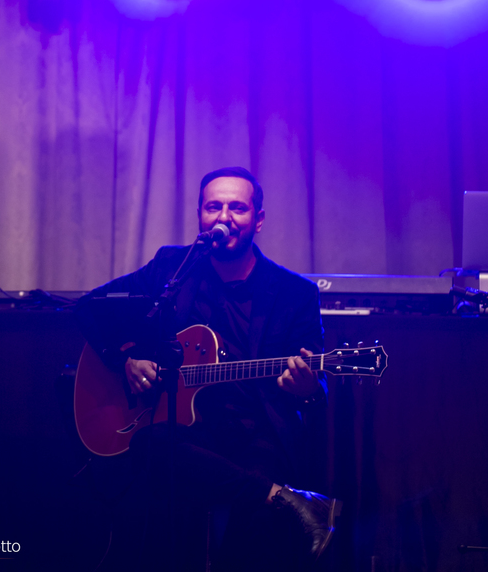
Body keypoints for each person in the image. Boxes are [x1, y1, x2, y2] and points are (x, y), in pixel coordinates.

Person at [77, 167, 337, 571]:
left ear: (258, 220)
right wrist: (124, 359)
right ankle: (285, 498)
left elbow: (314, 389)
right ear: (200, 215)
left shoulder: (294, 293)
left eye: (237, 208)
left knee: (255, 525)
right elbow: (89, 308)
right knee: (147, 446)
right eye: (213, 207)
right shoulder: (172, 268)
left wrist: (305, 387)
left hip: (256, 430)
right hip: (186, 428)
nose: (224, 217)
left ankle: (274, 500)